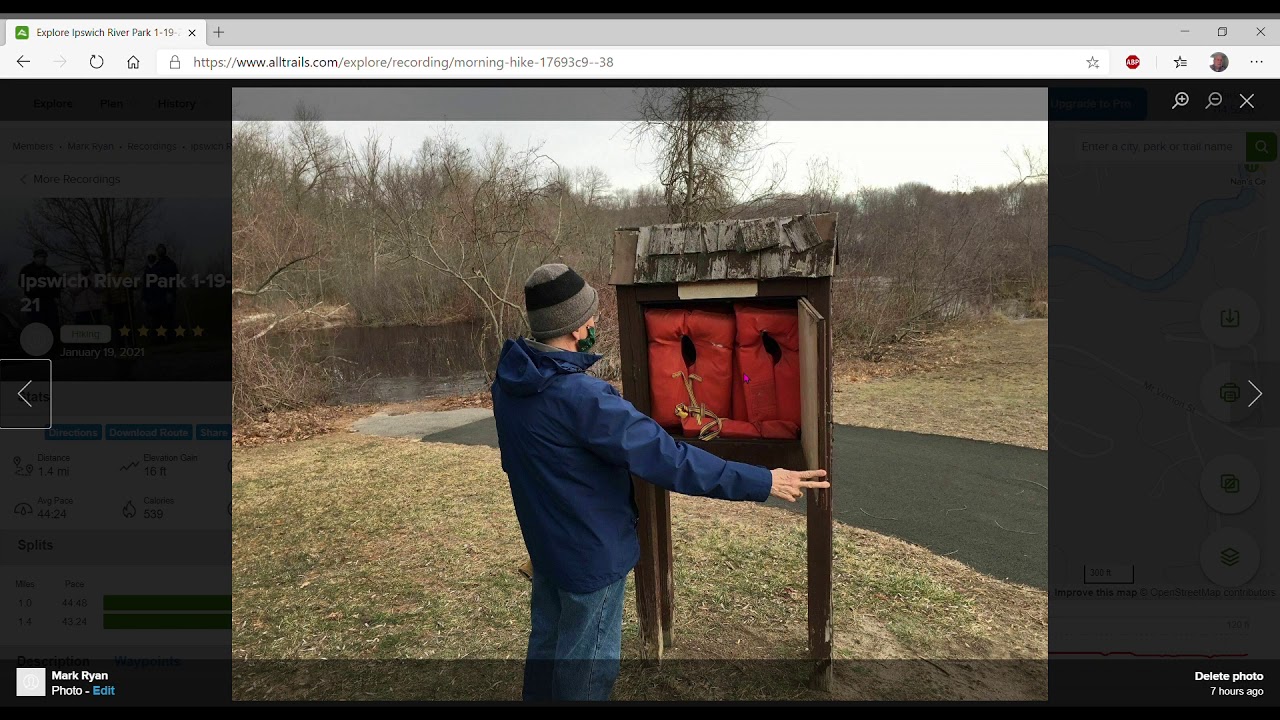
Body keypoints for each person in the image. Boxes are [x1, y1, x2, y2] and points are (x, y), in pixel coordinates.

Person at [492, 264, 829, 702]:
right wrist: (762, 480)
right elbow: (671, 460)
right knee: (586, 674)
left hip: (548, 547)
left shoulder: (509, 383)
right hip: (591, 558)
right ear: (576, 329)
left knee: (548, 651)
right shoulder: (583, 399)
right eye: (590, 317)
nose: (594, 323)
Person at [17, 249, 61, 333]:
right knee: (36, 324)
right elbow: (21, 282)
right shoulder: (27, 269)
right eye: (40, 257)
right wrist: (35, 286)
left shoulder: (50, 271)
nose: (43, 259)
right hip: (34, 300)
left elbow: (59, 282)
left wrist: (56, 294)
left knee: (52, 326)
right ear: (34, 258)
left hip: (49, 301)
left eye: (44, 257)